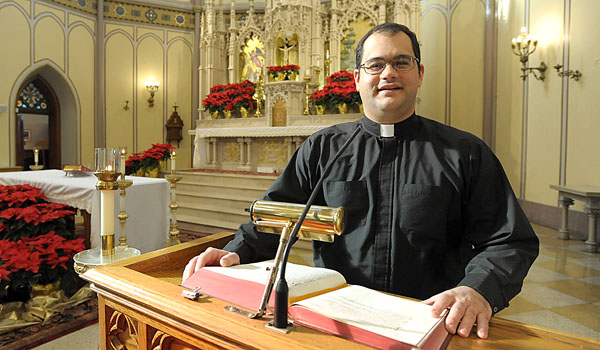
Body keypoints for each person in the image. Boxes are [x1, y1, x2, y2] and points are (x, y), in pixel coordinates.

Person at [183, 23, 539, 340]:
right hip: (334, 323)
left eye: (402, 62)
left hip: (431, 321)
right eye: (375, 64)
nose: (388, 73)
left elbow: (509, 241)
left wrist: (476, 290)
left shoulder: (464, 152)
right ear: (357, 78)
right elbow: (278, 216)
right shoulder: (322, 149)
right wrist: (235, 250)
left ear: (419, 73)